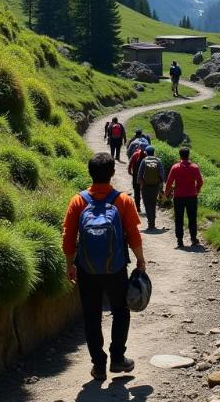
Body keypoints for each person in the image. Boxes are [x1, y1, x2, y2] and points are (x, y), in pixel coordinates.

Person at [62, 153, 146, 381]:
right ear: (112, 173)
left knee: (91, 316)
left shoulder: (78, 201)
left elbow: (68, 238)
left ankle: (98, 366)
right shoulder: (123, 200)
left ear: (90, 172)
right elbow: (134, 236)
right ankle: (118, 359)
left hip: (86, 269)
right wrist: (140, 259)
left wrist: (70, 265)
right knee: (120, 310)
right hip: (116, 267)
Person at [164, 146, 204, 248]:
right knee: (192, 218)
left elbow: (169, 183)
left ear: (180, 155)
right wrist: (197, 190)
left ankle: (180, 240)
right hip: (191, 196)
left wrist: (166, 193)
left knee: (179, 218)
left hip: (179, 197)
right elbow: (200, 182)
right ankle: (193, 239)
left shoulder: (175, 167)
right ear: (188, 155)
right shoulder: (195, 167)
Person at [136, 145, 165, 230]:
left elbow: (139, 174)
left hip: (145, 186)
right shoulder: (158, 161)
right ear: (153, 152)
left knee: (147, 204)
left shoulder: (144, 161)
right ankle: (153, 223)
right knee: (153, 204)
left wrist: (141, 184)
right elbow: (162, 175)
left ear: (146, 153)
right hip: (155, 186)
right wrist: (160, 187)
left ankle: (150, 223)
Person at [127, 137, 148, 211]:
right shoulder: (148, 155)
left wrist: (130, 172)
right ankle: (146, 206)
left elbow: (130, 164)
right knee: (145, 191)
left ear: (139, 146)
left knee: (136, 191)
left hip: (136, 175)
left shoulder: (135, 154)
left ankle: (138, 207)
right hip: (146, 177)